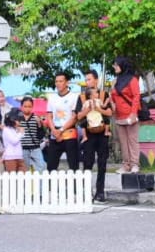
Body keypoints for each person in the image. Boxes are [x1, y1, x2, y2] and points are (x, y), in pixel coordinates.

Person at [78, 70, 113, 201]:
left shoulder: (104, 94)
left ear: (96, 80)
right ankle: (87, 192)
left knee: (102, 163)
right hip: (89, 132)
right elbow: (78, 115)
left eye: (89, 79)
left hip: (102, 133)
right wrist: (87, 109)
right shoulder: (82, 97)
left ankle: (100, 191)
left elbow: (109, 113)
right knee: (87, 163)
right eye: (86, 80)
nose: (87, 82)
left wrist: (99, 109)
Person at [110, 56, 143, 174]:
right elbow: (113, 97)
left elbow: (136, 97)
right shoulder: (116, 81)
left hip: (130, 115)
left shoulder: (132, 80)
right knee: (123, 142)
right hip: (119, 116)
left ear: (122, 65)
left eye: (116, 64)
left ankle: (135, 164)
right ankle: (126, 165)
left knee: (132, 141)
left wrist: (134, 113)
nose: (114, 67)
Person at [46, 72, 82, 171]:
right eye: (56, 81)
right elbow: (49, 115)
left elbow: (74, 117)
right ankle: (51, 186)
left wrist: (61, 130)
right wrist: (54, 130)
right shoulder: (52, 97)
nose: (58, 84)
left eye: (61, 81)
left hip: (69, 132)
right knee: (51, 165)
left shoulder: (74, 97)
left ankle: (75, 186)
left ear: (67, 82)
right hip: (55, 134)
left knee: (73, 165)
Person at [17, 96, 48, 173]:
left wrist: (40, 125)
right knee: (25, 169)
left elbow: (41, 135)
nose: (27, 108)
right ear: (21, 107)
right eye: (25, 106)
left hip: (35, 147)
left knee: (41, 166)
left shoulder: (36, 118)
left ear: (32, 107)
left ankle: (39, 184)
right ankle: (25, 185)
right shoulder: (17, 119)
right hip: (22, 148)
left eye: (30, 106)